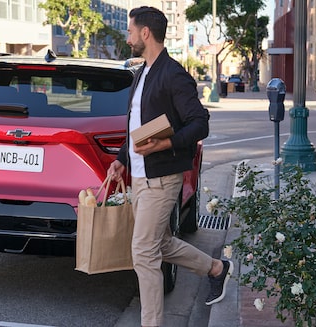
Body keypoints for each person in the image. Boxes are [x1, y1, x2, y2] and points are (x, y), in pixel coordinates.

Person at [106, 6, 232, 327]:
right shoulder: (143, 72)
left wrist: (167, 143)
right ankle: (217, 269)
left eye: (131, 30)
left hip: (162, 179)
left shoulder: (173, 74)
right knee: (159, 245)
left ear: (145, 33)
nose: (128, 36)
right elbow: (138, 127)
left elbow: (199, 123)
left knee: (143, 253)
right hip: (141, 176)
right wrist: (121, 160)